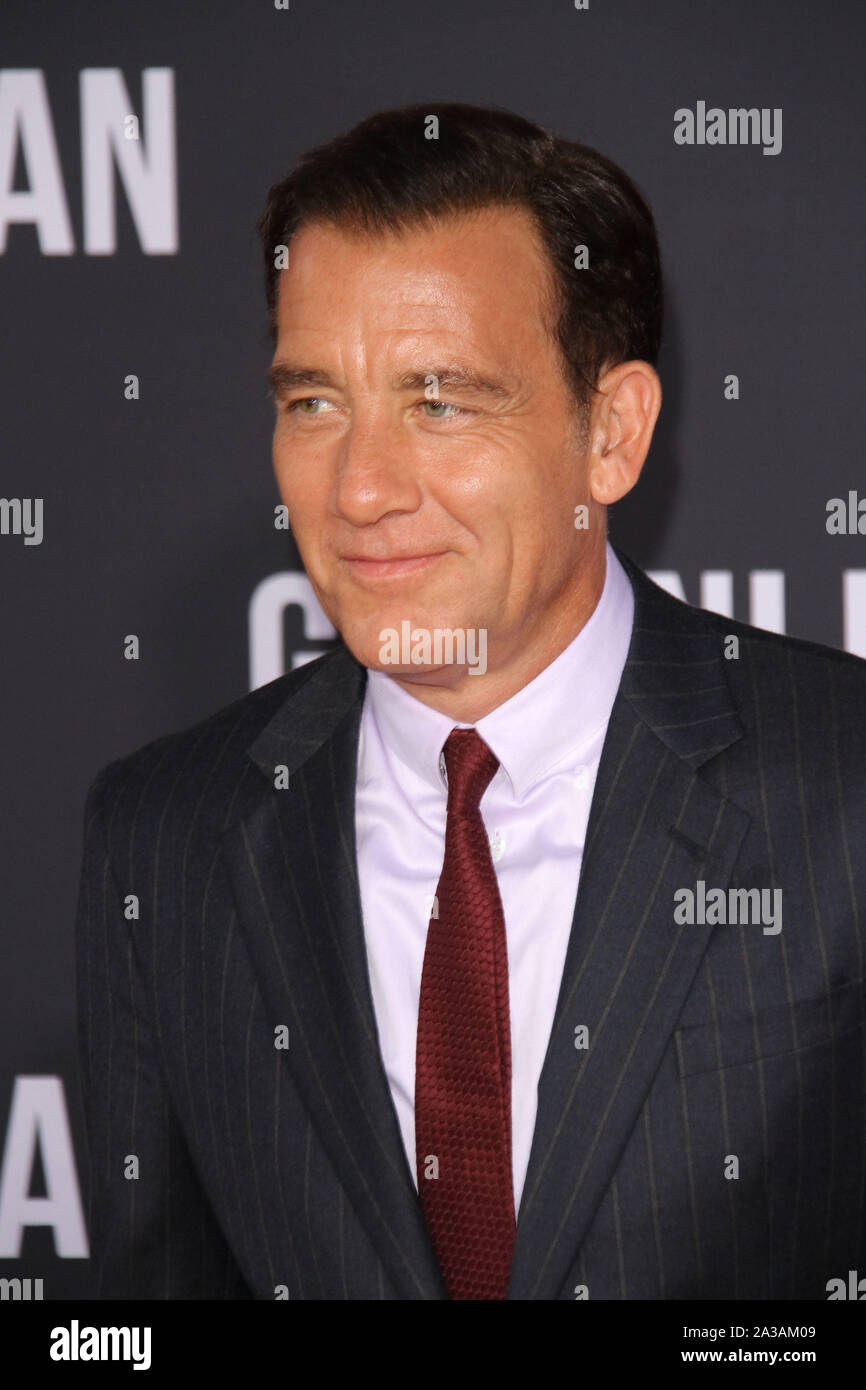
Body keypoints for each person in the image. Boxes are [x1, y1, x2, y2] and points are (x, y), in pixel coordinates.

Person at [75, 102, 866, 1300]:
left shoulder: (841, 783)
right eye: (313, 402)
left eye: (438, 400)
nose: (359, 488)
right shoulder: (164, 838)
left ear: (611, 433)